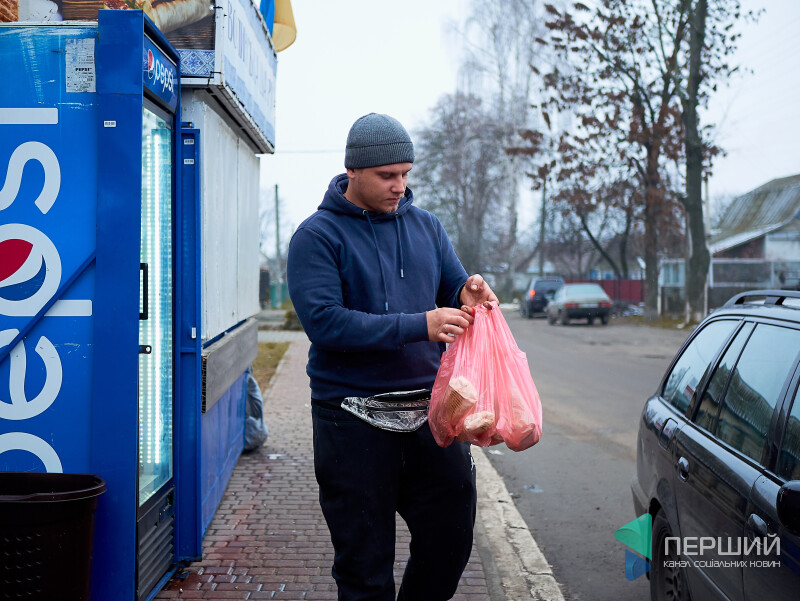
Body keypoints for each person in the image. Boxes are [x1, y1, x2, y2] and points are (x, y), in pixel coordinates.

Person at [286, 113, 498, 601]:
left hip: (432, 416)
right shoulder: (316, 236)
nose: (400, 186)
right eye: (387, 175)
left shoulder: (427, 227)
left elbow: (453, 287)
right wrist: (420, 325)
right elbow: (325, 322)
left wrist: (469, 292)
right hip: (350, 421)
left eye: (405, 173)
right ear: (352, 171)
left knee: (449, 541)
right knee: (364, 567)